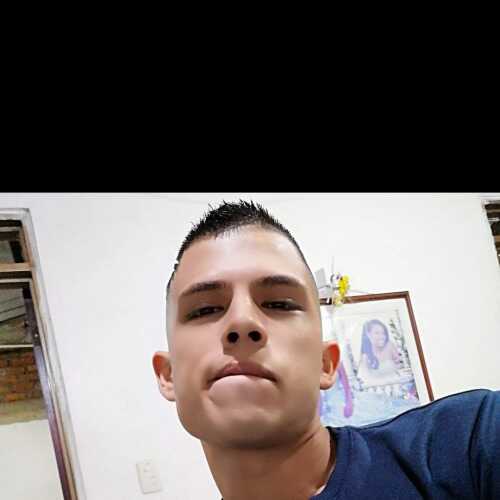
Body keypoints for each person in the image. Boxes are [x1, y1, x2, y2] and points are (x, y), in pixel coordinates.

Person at [152, 200, 499, 500]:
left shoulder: (469, 442)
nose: (242, 322)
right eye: (205, 309)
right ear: (168, 376)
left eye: (278, 303)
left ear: (325, 364)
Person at [357, 319, 402, 386]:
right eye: (377, 333)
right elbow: (365, 381)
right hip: (379, 389)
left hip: (398, 384)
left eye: (383, 333)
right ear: (368, 335)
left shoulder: (389, 345)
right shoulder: (365, 356)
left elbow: (401, 366)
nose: (381, 336)